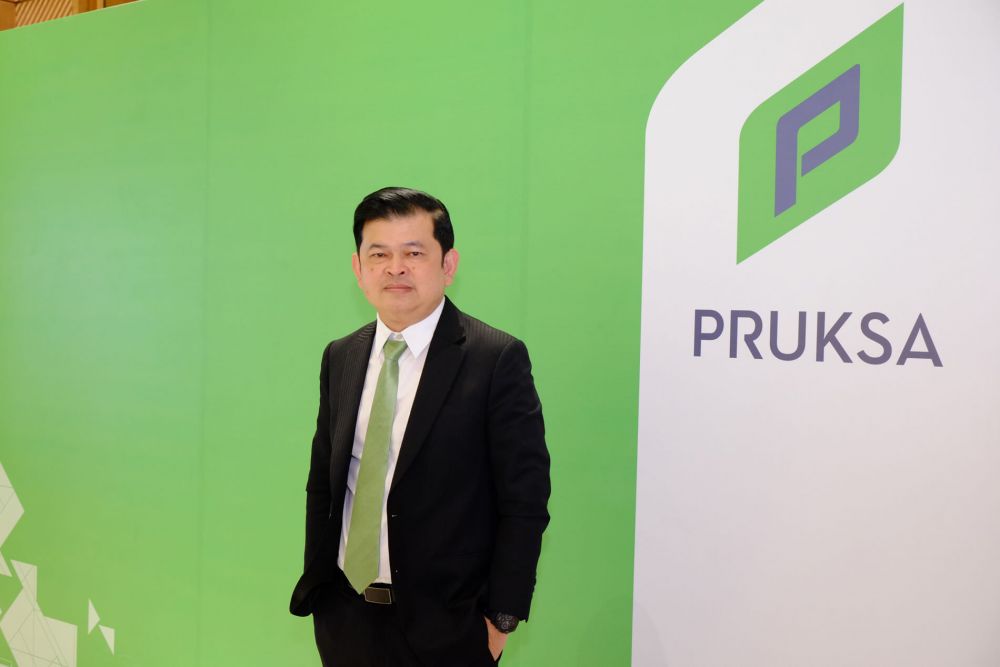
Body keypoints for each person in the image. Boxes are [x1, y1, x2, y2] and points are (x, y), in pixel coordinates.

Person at [289, 187, 551, 666]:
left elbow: (525, 502)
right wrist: (320, 592)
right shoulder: (341, 356)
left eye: (414, 253)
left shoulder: (495, 359)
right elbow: (323, 485)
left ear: (448, 264)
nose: (396, 268)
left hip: (449, 629)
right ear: (358, 268)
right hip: (345, 619)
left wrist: (501, 619)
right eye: (379, 254)